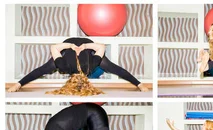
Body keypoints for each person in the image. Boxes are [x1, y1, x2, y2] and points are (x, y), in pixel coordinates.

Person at [7, 37, 149, 93]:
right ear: (86, 79)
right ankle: (139, 84)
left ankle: (18, 84)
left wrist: (71, 46)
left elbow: (54, 48)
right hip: (88, 45)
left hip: (69, 43)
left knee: (45, 68)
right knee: (111, 67)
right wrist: (85, 45)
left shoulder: (63, 66)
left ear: (70, 80)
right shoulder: (90, 67)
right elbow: (101, 47)